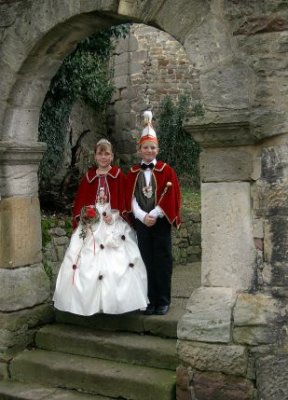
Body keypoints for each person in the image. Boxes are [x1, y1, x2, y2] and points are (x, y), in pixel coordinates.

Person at [53, 139, 148, 316]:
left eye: (107, 154)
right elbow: (81, 202)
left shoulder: (119, 175)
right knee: (84, 257)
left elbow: (125, 200)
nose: (103, 157)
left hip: (113, 220)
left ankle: (118, 304)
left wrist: (116, 214)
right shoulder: (88, 177)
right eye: (100, 153)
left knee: (119, 260)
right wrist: (86, 215)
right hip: (92, 222)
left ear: (112, 156)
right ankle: (86, 305)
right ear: (95, 156)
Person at [126, 111, 181, 315]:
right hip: (142, 223)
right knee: (145, 260)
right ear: (139, 150)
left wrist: (155, 214)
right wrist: (141, 216)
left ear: (158, 149)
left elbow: (171, 195)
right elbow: (129, 198)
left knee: (162, 260)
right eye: (145, 147)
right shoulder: (133, 172)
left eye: (152, 147)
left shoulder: (168, 171)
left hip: (160, 221)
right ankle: (148, 300)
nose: (149, 151)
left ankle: (163, 300)